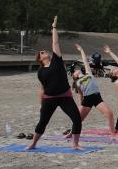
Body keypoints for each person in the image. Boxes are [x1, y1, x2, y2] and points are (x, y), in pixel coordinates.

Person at [27, 16, 82, 150]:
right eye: (41, 52)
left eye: (45, 51)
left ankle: (75, 144)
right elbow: (42, 88)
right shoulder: (40, 72)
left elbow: (55, 43)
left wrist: (54, 27)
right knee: (43, 122)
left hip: (65, 97)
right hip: (49, 99)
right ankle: (33, 144)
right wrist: (41, 104)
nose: (44, 51)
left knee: (77, 119)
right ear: (40, 59)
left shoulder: (56, 60)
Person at [70, 44, 116, 137]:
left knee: (109, 114)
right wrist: (81, 105)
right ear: (74, 77)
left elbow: (84, 60)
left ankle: (112, 134)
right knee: (78, 119)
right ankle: (71, 133)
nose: (76, 71)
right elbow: (81, 95)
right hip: (87, 99)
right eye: (75, 72)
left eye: (76, 70)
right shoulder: (77, 83)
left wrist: (81, 50)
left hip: (97, 97)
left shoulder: (88, 73)